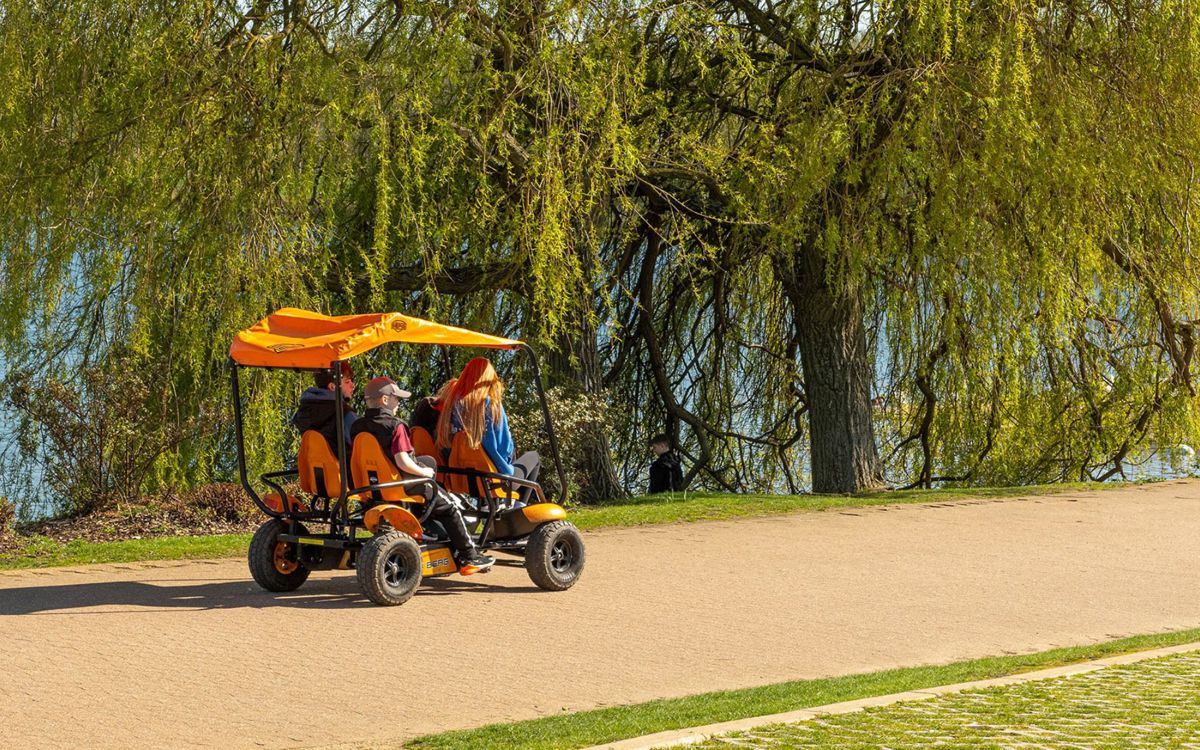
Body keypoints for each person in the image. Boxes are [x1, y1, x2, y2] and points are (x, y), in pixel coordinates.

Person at [350, 376, 494, 575]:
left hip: (374, 486)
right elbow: (402, 461)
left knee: (428, 465)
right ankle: (470, 555)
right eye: (396, 398)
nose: (399, 402)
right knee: (450, 507)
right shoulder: (396, 426)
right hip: (404, 484)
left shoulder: (357, 426)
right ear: (384, 400)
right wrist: (425, 472)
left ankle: (433, 536)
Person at [437, 357, 540, 505]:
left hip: (459, 477)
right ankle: (518, 510)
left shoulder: (451, 404)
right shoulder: (490, 404)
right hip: (493, 479)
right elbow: (503, 448)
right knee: (534, 457)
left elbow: (446, 444)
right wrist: (508, 463)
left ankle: (500, 506)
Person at [292, 362, 358, 449]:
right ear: (332, 387)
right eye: (347, 382)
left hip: (316, 462)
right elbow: (364, 449)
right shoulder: (345, 414)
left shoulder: (303, 414)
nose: (352, 385)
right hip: (344, 462)